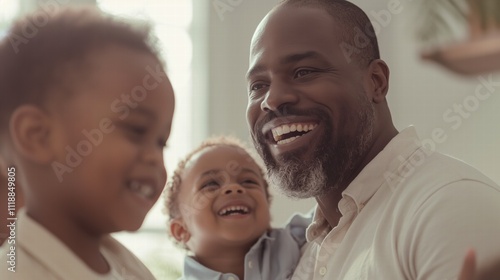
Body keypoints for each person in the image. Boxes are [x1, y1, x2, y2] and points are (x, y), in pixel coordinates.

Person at [245, 0, 500, 279]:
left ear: (376, 82)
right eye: (259, 86)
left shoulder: (449, 206)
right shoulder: (304, 251)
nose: (273, 99)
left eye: (304, 72)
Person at [0, 6, 175, 279]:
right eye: (136, 130)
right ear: (37, 136)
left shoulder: (128, 267)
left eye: (161, 142)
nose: (155, 157)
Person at [164, 136, 310, 280]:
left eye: (248, 181)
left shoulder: (297, 237)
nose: (234, 188)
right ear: (181, 230)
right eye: (210, 184)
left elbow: (329, 216)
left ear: (267, 206)